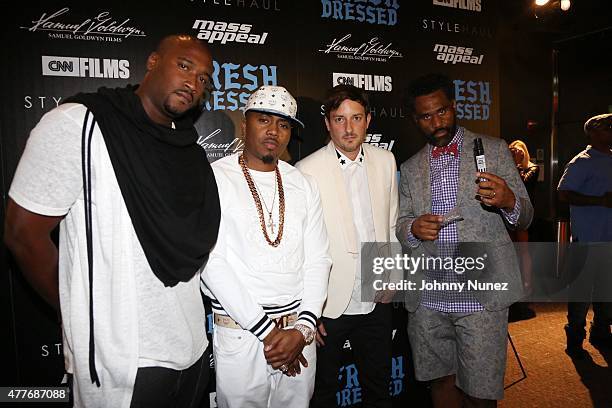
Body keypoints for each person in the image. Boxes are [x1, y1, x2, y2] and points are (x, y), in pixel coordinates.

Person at [4, 34, 220, 407]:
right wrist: (78, 312)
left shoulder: (190, 151)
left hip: (192, 350)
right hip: (122, 359)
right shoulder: (78, 124)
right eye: (184, 66)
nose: (192, 82)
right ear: (152, 62)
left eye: (203, 78)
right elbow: (23, 235)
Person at [396, 73, 533, 407]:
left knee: (480, 391)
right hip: (429, 297)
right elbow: (400, 223)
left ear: (454, 107)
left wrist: (509, 201)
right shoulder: (411, 167)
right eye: (426, 116)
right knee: (440, 381)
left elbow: (526, 215)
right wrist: (413, 228)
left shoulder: (496, 150)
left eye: (442, 111)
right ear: (416, 120)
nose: (436, 122)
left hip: (480, 295)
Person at [200, 85, 331, 408]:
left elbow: (319, 259)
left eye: (284, 124)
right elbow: (210, 262)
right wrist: (269, 334)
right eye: (264, 120)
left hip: (299, 333)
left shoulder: (303, 183)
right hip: (243, 335)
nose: (274, 131)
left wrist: (302, 330)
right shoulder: (214, 178)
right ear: (245, 124)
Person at [295, 84, 399, 408]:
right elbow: (301, 249)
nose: (349, 128)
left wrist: (394, 279)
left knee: (379, 388)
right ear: (327, 123)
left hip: (376, 297)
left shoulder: (386, 160)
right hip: (329, 306)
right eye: (339, 119)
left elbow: (392, 225)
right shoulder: (307, 170)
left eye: (356, 118)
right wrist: (310, 312)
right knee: (323, 392)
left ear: (368, 120)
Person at [557, 113, 612, 358]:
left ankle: (601, 331)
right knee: (581, 292)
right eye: (608, 128)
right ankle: (575, 337)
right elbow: (564, 194)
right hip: (588, 238)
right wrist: (599, 200)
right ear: (593, 132)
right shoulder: (582, 161)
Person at [507, 139, 539, 321]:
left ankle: (527, 285)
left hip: (525, 213)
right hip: (509, 212)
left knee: (523, 249)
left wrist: (517, 165)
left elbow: (523, 185)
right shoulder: (508, 167)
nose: (514, 152)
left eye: (517, 150)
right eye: (511, 150)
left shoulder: (532, 168)